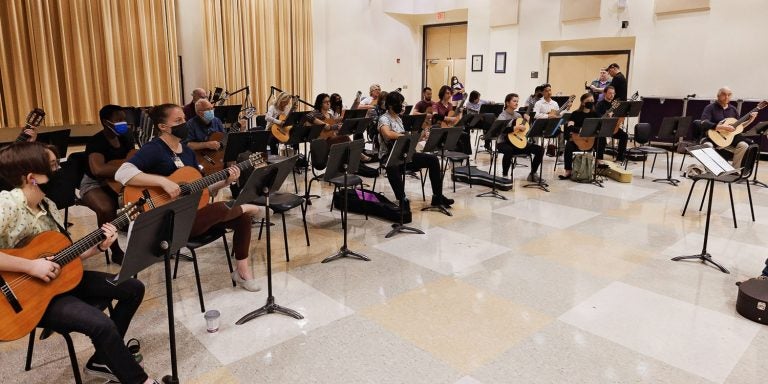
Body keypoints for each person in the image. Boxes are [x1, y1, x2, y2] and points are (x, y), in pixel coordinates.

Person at [0, 142, 158, 384]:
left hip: (56, 281)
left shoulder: (48, 206)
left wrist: (98, 247)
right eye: (52, 166)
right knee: (101, 325)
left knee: (133, 288)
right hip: (22, 298)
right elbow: (38, 264)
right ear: (32, 177)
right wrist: (31, 266)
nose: (60, 171)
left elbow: (62, 255)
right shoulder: (7, 204)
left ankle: (103, 360)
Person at [114, 103, 262, 291]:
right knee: (222, 208)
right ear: (163, 127)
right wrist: (163, 182)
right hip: (168, 222)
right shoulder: (154, 149)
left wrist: (225, 181)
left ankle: (242, 272)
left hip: (194, 216)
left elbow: (201, 188)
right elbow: (122, 173)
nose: (184, 123)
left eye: (184, 119)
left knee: (242, 218)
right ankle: (247, 206)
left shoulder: (188, 153)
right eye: (178, 120)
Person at [80, 105, 136, 264]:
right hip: (94, 183)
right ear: (106, 122)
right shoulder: (96, 141)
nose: (123, 122)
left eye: (124, 119)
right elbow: (97, 170)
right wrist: (125, 166)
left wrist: (122, 167)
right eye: (118, 120)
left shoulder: (126, 136)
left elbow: (133, 155)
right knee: (106, 209)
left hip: (119, 180)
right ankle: (115, 250)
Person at [378, 92, 454, 210]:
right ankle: (402, 199)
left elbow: (407, 140)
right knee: (392, 166)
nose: (402, 106)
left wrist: (421, 134)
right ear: (391, 105)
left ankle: (437, 197)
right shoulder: (383, 118)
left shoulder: (398, 118)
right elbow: (387, 133)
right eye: (400, 103)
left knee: (433, 160)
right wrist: (403, 136)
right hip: (389, 155)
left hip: (405, 154)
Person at [700, 87, 757, 167]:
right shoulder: (710, 108)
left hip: (728, 140)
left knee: (744, 145)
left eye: (729, 95)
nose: (727, 97)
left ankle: (734, 171)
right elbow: (704, 123)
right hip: (711, 138)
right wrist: (722, 127)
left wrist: (750, 120)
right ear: (718, 96)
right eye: (724, 94)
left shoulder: (733, 109)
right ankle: (710, 170)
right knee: (707, 146)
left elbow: (738, 127)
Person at [496, 93, 544, 181]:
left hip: (518, 142)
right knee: (508, 150)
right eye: (514, 101)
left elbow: (524, 132)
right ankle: (505, 175)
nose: (516, 103)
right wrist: (516, 127)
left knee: (540, 149)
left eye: (517, 101)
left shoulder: (518, 115)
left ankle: (533, 174)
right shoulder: (502, 116)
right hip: (503, 142)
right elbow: (502, 130)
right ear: (507, 103)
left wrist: (528, 122)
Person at [560, 93, 599, 179]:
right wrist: (580, 130)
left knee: (601, 140)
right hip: (578, 140)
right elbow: (570, 126)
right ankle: (568, 170)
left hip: (590, 141)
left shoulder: (595, 114)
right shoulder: (575, 114)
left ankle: (597, 166)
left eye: (592, 101)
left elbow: (599, 127)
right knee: (569, 146)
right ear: (583, 103)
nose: (591, 102)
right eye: (588, 101)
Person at [594, 86, 628, 163]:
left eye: (613, 93)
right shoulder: (599, 105)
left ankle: (620, 158)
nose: (612, 95)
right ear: (604, 93)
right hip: (602, 128)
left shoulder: (615, 105)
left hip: (613, 128)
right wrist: (607, 116)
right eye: (610, 93)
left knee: (624, 136)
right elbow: (599, 119)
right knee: (601, 137)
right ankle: (599, 159)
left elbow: (619, 117)